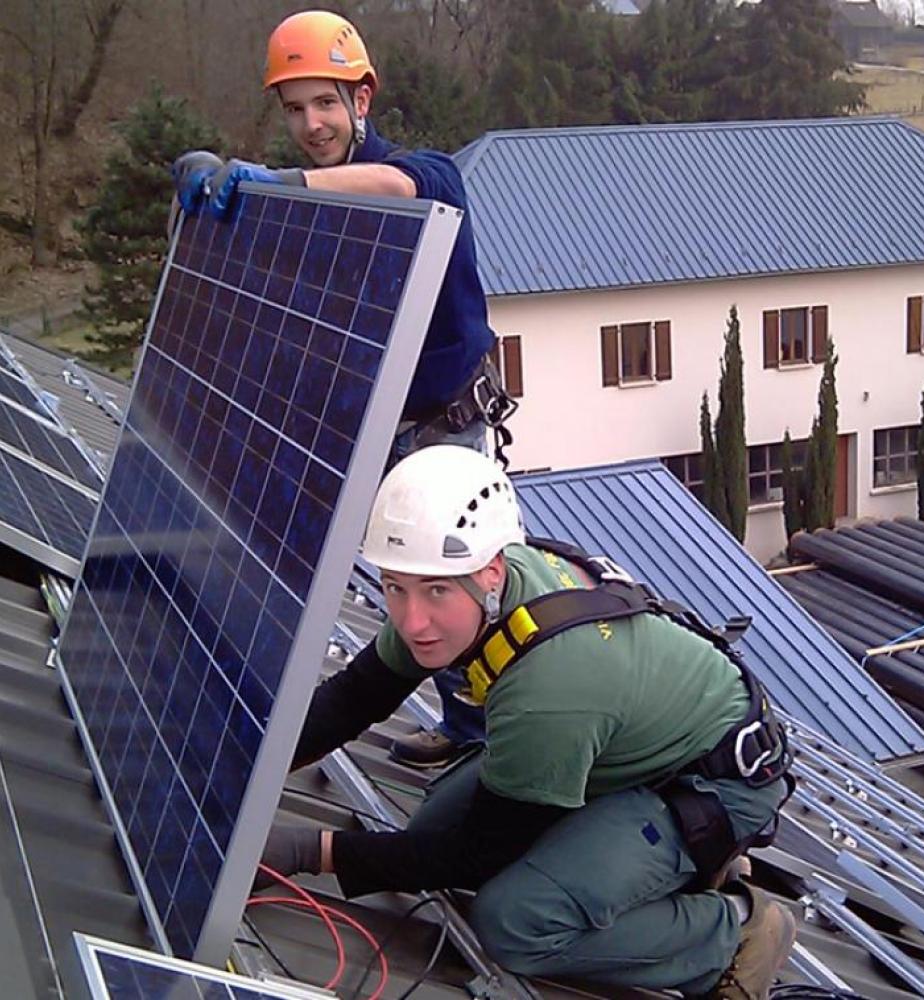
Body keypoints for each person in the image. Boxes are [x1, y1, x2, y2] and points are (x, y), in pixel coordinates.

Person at [262, 445, 797, 998]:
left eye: (434, 592)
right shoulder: (463, 584)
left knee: (514, 922)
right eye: (395, 587)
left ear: (491, 572)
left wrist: (308, 851)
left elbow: (476, 853)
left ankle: (732, 930)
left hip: (708, 783)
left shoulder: (549, 688)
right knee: (428, 834)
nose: (412, 620)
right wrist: (242, 767)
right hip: (618, 744)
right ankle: (646, 869)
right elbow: (356, 696)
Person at [170, 10, 507, 768]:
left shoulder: (425, 173)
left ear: (362, 99)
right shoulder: (313, 212)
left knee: (449, 582)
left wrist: (277, 183)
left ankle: (476, 733)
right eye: (294, 109)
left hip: (439, 427)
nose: (312, 124)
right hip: (365, 423)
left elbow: (397, 184)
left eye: (326, 102)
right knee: (375, 576)